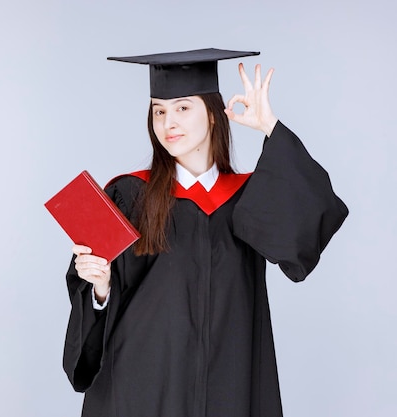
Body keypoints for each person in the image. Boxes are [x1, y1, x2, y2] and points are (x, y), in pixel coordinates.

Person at [62, 48, 348, 417]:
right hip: (143, 388)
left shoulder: (248, 197)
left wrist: (271, 129)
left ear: (213, 115)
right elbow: (99, 299)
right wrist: (100, 289)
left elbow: (305, 235)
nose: (169, 123)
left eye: (183, 108)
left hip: (227, 383)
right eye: (159, 111)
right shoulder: (129, 195)